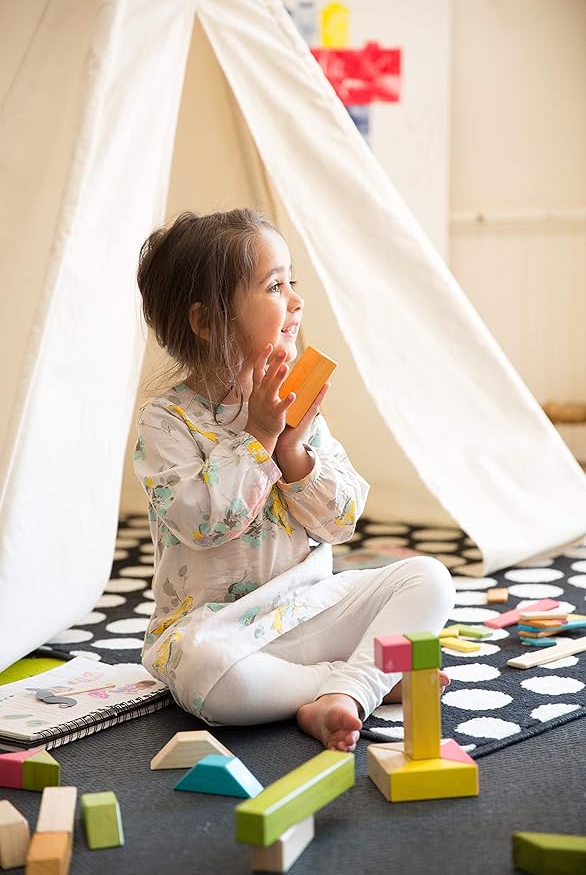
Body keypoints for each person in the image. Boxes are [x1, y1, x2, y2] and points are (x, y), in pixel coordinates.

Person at [133, 208, 455, 752]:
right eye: (275, 285)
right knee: (205, 675)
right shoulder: (166, 422)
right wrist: (258, 439)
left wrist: (294, 453)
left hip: (309, 608)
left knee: (429, 579)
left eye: (292, 282)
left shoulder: (294, 404)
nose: (296, 301)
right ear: (207, 321)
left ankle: (350, 689)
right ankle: (355, 684)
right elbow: (206, 524)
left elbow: (342, 520)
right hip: (223, 632)